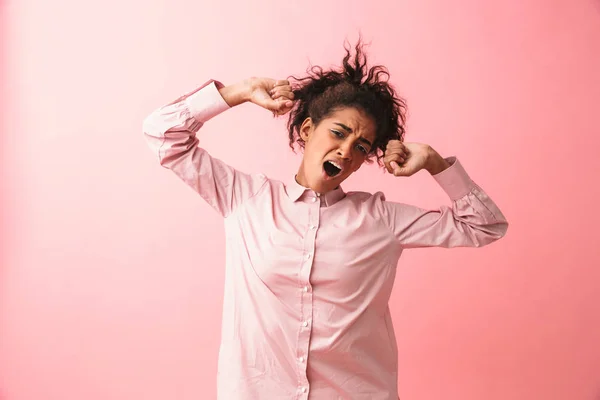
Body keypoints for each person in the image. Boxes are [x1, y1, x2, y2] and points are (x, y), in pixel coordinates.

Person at [142, 41, 508, 400]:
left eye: (362, 146)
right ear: (306, 131)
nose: (346, 151)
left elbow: (485, 225)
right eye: (338, 133)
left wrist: (433, 162)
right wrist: (240, 91)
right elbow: (163, 133)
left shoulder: (381, 219)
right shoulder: (245, 198)